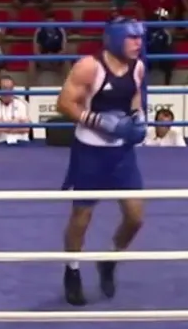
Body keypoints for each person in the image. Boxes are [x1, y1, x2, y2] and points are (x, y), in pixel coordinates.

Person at [54, 17, 149, 306]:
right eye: (132, 38)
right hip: (90, 152)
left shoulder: (138, 67)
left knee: (135, 217)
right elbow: (64, 104)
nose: (138, 43)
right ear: (116, 38)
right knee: (81, 217)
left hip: (121, 153)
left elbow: (135, 98)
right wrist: (99, 121)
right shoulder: (89, 66)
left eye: (140, 38)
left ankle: (109, 259)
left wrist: (138, 119)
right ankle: (72, 270)